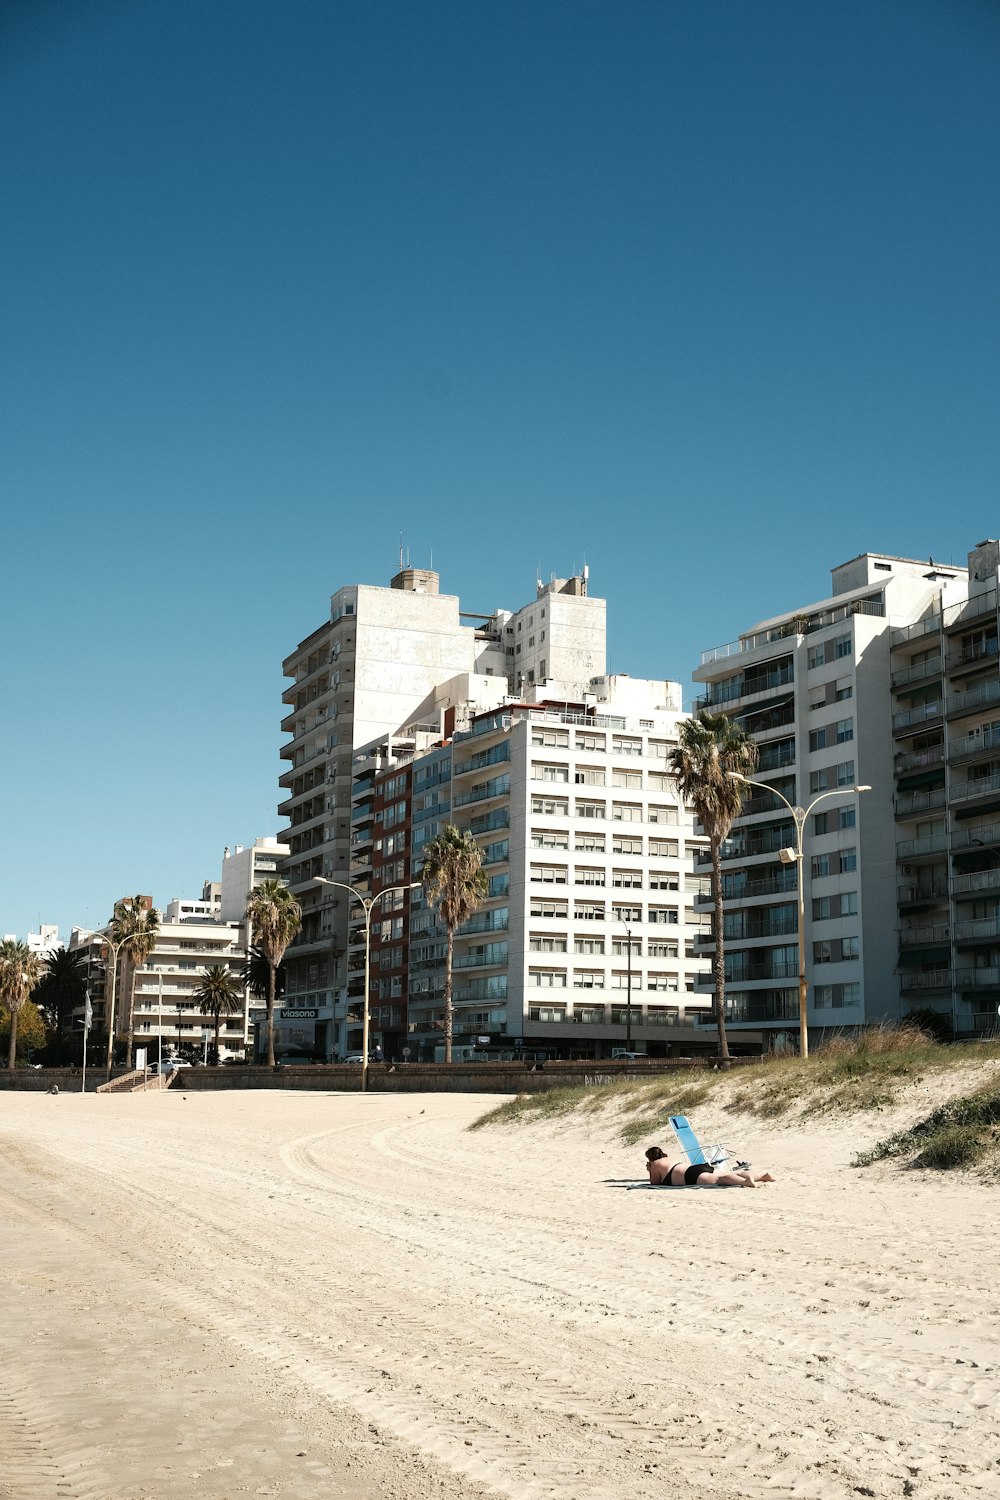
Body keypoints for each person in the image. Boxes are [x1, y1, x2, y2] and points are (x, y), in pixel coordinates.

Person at [645, 1145, 776, 1188]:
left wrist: (650, 1169)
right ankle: (762, 1176)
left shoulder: (654, 1164)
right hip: (697, 1167)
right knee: (725, 1174)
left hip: (690, 1176)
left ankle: (746, 1181)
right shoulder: (668, 1158)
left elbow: (655, 1183)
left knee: (720, 1180)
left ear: (651, 1158)